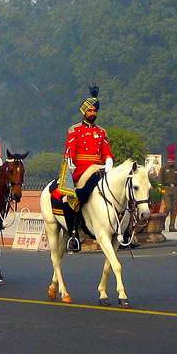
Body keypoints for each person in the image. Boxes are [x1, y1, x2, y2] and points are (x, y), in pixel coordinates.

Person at [61, 85, 114, 252]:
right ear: (84, 112)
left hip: (99, 169)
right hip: (81, 169)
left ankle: (123, 231)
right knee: (75, 198)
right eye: (89, 110)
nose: (92, 113)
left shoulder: (101, 131)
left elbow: (107, 151)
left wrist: (109, 161)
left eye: (94, 111)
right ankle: (74, 234)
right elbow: (70, 149)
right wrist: (70, 161)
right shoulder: (75, 130)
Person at [159, 144, 177, 232]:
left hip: (175, 189)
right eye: (169, 160)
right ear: (167, 160)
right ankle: (162, 223)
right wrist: (161, 190)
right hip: (166, 189)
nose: (170, 161)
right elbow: (160, 180)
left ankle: (172, 226)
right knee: (168, 207)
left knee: (174, 209)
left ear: (174, 160)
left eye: (171, 160)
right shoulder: (163, 169)